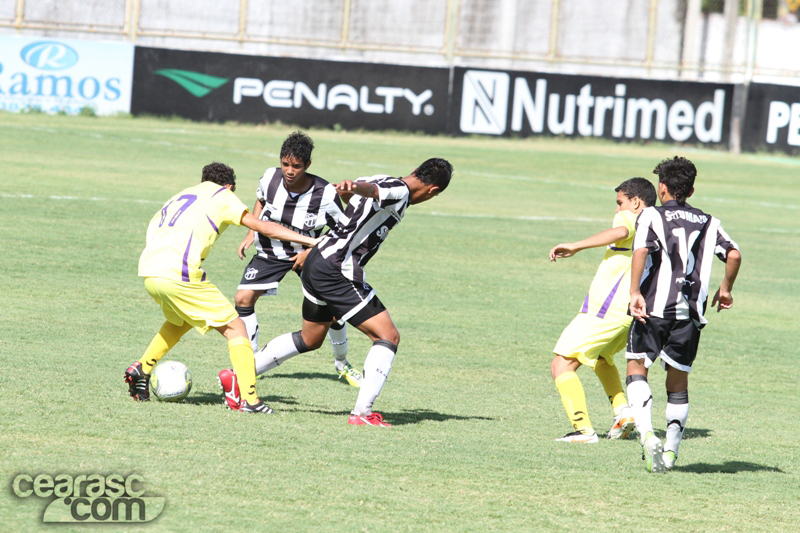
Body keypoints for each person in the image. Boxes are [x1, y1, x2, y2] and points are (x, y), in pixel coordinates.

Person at [218, 158, 453, 425]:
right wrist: (357, 188)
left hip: (317, 260)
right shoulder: (400, 191)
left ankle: (238, 376)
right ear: (433, 191)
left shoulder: (381, 175)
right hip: (336, 269)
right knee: (388, 336)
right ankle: (362, 414)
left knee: (311, 338)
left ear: (414, 170)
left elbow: (361, 191)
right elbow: (373, 192)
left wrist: (350, 188)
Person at [125, 162, 318, 413]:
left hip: (150, 271)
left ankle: (142, 368)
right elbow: (262, 226)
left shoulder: (181, 195)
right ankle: (250, 400)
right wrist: (309, 240)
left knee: (180, 321)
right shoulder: (222, 195)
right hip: (178, 273)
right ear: (229, 186)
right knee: (235, 327)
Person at [229, 132, 361, 410]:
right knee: (243, 299)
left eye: (297, 166)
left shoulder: (325, 194)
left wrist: (310, 252)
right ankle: (249, 361)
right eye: (286, 163)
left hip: (308, 255)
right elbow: (261, 202)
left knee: (335, 310)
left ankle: (342, 363)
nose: (289, 170)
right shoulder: (270, 177)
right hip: (270, 251)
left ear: (308, 164)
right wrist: (249, 233)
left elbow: (341, 230)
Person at [626, 156, 741, 472]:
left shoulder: (651, 215)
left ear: (661, 188)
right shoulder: (709, 221)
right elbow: (733, 253)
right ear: (690, 190)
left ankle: (648, 433)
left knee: (636, 368)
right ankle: (671, 455)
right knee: (677, 383)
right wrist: (726, 288)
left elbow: (640, 252)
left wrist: (635, 291)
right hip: (689, 313)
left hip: (653, 307)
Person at [549, 177, 657, 443]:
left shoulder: (631, 219)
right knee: (600, 359)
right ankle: (623, 412)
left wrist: (576, 245)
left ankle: (583, 430)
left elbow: (620, 232)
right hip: (626, 314)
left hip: (605, 311)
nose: (617, 210)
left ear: (636, 202)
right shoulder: (654, 225)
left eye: (620, 203)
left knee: (561, 364)